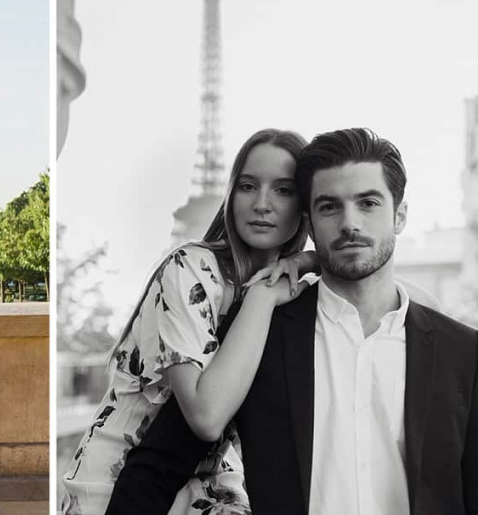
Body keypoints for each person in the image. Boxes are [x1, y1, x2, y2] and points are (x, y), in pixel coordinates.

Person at [110, 128, 478, 515]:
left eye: (368, 203)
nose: (350, 223)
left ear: (399, 216)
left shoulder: (461, 354)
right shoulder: (258, 337)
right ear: (310, 224)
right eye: (329, 207)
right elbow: (154, 471)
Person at [62, 128, 317, 515]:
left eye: (283, 190)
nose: (262, 204)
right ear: (231, 195)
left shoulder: (287, 291)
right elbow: (206, 416)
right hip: (121, 483)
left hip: (206, 477)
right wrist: (263, 297)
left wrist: (307, 260)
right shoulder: (192, 268)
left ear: (304, 207)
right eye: (248, 186)